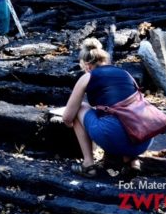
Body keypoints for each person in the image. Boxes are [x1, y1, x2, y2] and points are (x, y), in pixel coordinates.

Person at [62, 38, 153, 178]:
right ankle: (132, 160)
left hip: (113, 136)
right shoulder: (125, 74)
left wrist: (72, 123)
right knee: (123, 114)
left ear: (87, 66)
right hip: (144, 139)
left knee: (80, 108)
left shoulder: (88, 76)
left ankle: (88, 165)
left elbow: (67, 117)